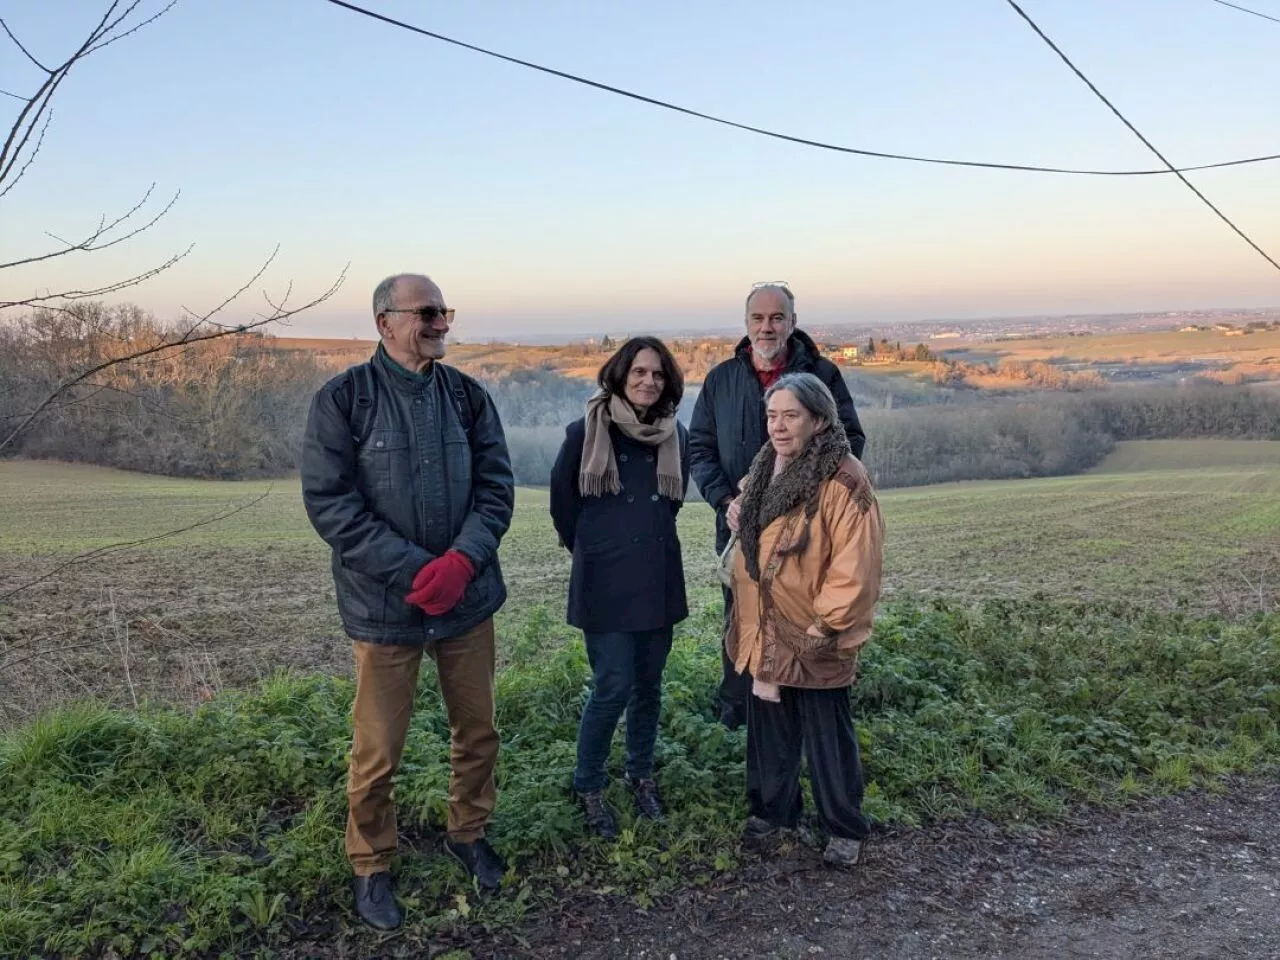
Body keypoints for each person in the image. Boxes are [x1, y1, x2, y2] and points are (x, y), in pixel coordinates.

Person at [300, 273, 515, 931]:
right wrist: (418, 570)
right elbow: (331, 505)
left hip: (467, 601)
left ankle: (467, 833)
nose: (440, 323)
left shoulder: (468, 398)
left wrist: (461, 562)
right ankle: (370, 865)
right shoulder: (343, 401)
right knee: (377, 751)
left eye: (444, 311)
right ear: (384, 322)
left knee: (477, 732)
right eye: (426, 312)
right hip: (385, 609)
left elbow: (496, 489)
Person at [689, 283, 866, 730]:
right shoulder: (721, 380)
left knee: (803, 622)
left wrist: (805, 500)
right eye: (758, 318)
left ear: (791, 322)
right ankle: (740, 719)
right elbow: (700, 450)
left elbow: (850, 443)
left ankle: (804, 717)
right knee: (742, 618)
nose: (767, 327)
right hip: (738, 528)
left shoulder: (822, 375)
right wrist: (726, 501)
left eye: (776, 318)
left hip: (806, 534)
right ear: (747, 324)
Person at [724, 371, 883, 867]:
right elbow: (759, 529)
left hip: (814, 631)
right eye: (772, 415)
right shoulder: (765, 467)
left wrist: (825, 627)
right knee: (769, 730)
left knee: (826, 736)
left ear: (819, 420)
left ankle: (844, 828)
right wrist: (738, 510)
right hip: (764, 627)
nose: (778, 426)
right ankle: (774, 816)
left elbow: (855, 565)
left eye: (791, 416)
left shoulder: (843, 478)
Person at [549, 337, 691, 839]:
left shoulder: (678, 436)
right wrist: (595, 548)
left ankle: (640, 773)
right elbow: (562, 506)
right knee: (612, 687)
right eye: (639, 373)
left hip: (656, 575)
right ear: (619, 376)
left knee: (649, 687)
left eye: (657, 374)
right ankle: (588, 784)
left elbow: (669, 505)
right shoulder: (584, 432)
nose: (648, 381)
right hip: (605, 580)